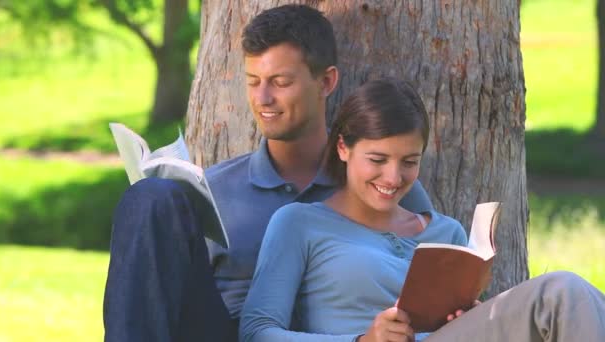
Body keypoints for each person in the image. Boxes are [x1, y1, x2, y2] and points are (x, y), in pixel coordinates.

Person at [103, 5, 435, 342]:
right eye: (254, 82)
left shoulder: (381, 184)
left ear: (326, 81)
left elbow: (433, 283)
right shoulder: (215, 188)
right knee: (152, 196)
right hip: (223, 333)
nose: (263, 98)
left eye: (280, 82)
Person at [239, 79, 605, 342]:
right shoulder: (300, 223)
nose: (393, 177)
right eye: (377, 159)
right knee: (562, 293)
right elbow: (257, 333)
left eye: (409, 161)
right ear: (343, 148)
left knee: (575, 300)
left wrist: (471, 318)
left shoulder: (446, 234)